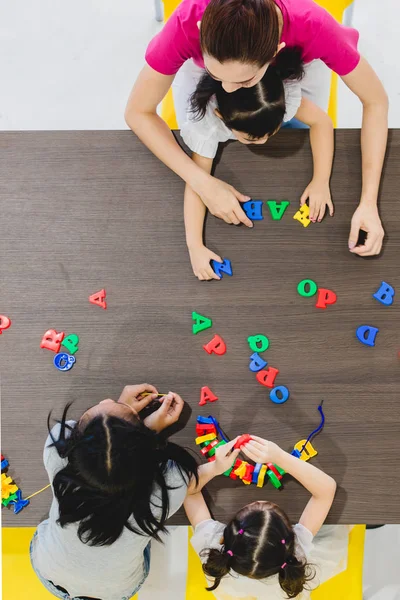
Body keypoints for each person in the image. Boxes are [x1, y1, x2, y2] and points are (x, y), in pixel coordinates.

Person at [125, 0, 387, 257]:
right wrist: (203, 182)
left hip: (297, 57)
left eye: (244, 80)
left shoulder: (315, 27)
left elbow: (375, 102)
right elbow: (137, 112)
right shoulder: (186, 23)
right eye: (216, 76)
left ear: (275, 52)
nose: (224, 91)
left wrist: (368, 202)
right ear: (201, 30)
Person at [30, 383, 240, 600]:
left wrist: (129, 420)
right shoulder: (166, 488)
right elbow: (191, 486)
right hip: (115, 590)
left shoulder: (58, 447)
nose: (106, 401)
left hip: (51, 573)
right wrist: (216, 467)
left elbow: (105, 453)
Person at [182, 48, 334, 280]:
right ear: (222, 117)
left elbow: (322, 122)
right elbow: (196, 182)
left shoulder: (275, 97)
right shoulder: (209, 124)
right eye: (252, 139)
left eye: (270, 133)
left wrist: (321, 180)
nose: (263, 142)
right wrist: (195, 246)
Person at [184, 435, 338, 599]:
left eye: (252, 505)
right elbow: (326, 490)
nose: (260, 501)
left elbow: (186, 489)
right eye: (272, 506)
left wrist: (216, 467)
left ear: (224, 536)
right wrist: (280, 457)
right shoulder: (297, 554)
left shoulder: (212, 547)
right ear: (291, 538)